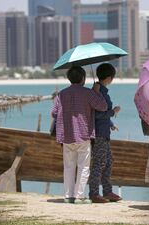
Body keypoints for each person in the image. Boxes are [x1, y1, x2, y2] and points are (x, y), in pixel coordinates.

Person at [51, 66, 107, 204]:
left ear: (69, 78)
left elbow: (54, 113)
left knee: (68, 166)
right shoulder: (88, 93)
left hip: (66, 136)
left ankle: (68, 196)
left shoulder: (61, 94)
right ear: (83, 78)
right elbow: (103, 106)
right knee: (84, 166)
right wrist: (97, 92)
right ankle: (79, 196)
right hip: (83, 135)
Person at [88, 63, 122, 203]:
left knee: (108, 162)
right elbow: (96, 114)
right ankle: (94, 194)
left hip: (104, 132)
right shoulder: (98, 92)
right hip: (99, 134)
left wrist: (111, 124)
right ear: (109, 78)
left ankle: (107, 191)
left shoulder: (100, 91)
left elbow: (101, 114)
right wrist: (113, 112)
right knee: (99, 163)